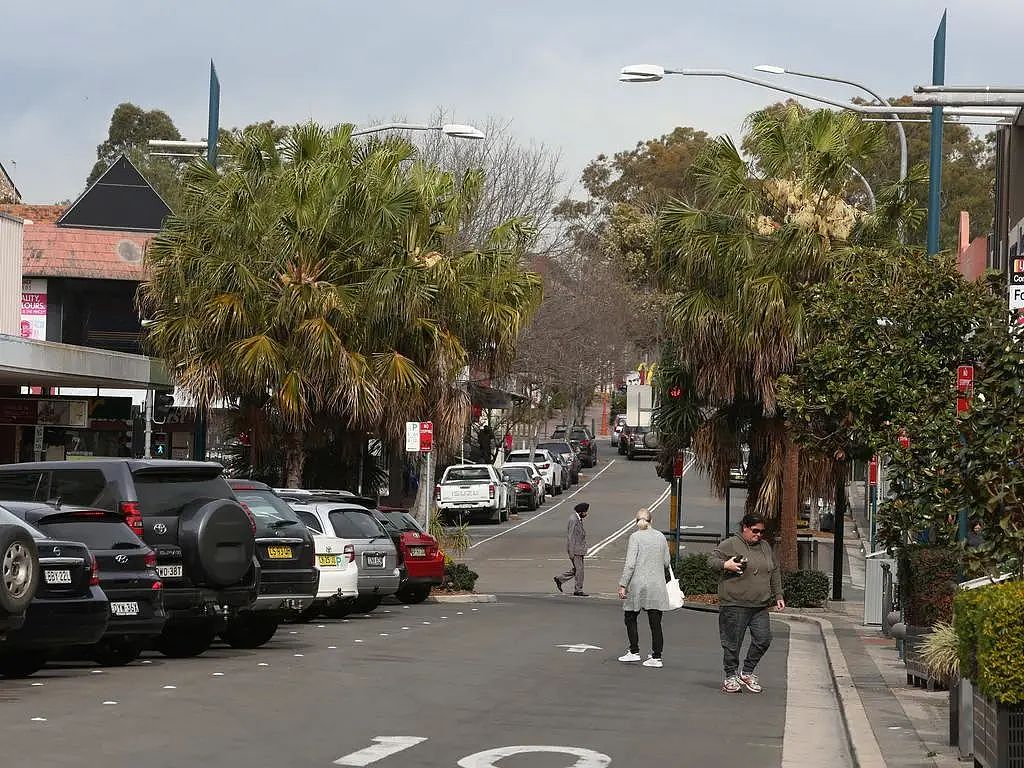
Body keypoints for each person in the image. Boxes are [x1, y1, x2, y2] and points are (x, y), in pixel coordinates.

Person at [708, 512, 785, 694]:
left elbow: (774, 571)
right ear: (744, 528)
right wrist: (726, 565)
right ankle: (730, 676)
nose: (758, 535)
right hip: (735, 603)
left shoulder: (765, 546)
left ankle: (747, 671)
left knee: (763, 639)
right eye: (755, 531)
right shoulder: (731, 544)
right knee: (732, 643)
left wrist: (779, 595)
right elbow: (711, 561)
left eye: (761, 532)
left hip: (759, 605)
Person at [617, 508, 671, 668]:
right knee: (655, 622)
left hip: (638, 584)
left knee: (630, 616)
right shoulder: (660, 537)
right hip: (657, 584)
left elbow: (630, 564)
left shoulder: (635, 537)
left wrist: (622, 584)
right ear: (651, 521)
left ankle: (634, 651)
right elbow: (667, 562)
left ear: (636, 522)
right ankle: (657, 656)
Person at [554, 502, 589, 596]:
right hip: (575, 550)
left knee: (578, 569)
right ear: (581, 511)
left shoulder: (578, 518)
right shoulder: (573, 520)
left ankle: (560, 579)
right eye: (585, 512)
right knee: (579, 570)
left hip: (579, 549)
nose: (586, 514)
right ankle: (578, 590)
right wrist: (571, 551)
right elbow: (571, 536)